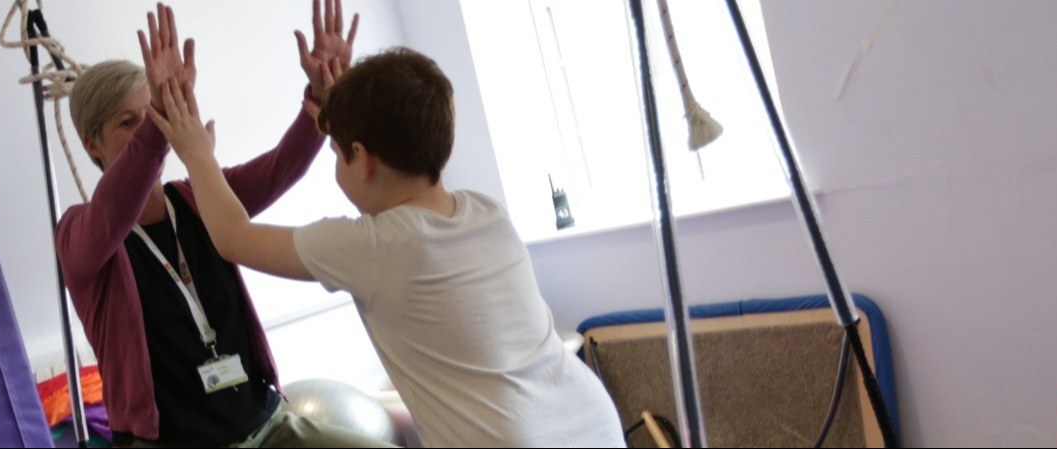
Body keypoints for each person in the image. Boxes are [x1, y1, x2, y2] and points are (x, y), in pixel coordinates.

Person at [153, 47, 628, 448]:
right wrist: (345, 110)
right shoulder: (486, 213)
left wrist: (195, 151)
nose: (336, 161)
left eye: (338, 152)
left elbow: (231, 237)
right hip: (592, 421)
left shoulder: (371, 248)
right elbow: (397, 217)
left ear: (364, 158)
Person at [53, 2, 393, 448]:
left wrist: (321, 97)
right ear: (90, 143)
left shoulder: (196, 197)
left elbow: (279, 169)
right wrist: (158, 123)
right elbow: (115, 207)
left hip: (267, 427)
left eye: (153, 114)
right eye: (128, 123)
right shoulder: (80, 234)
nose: (149, 130)